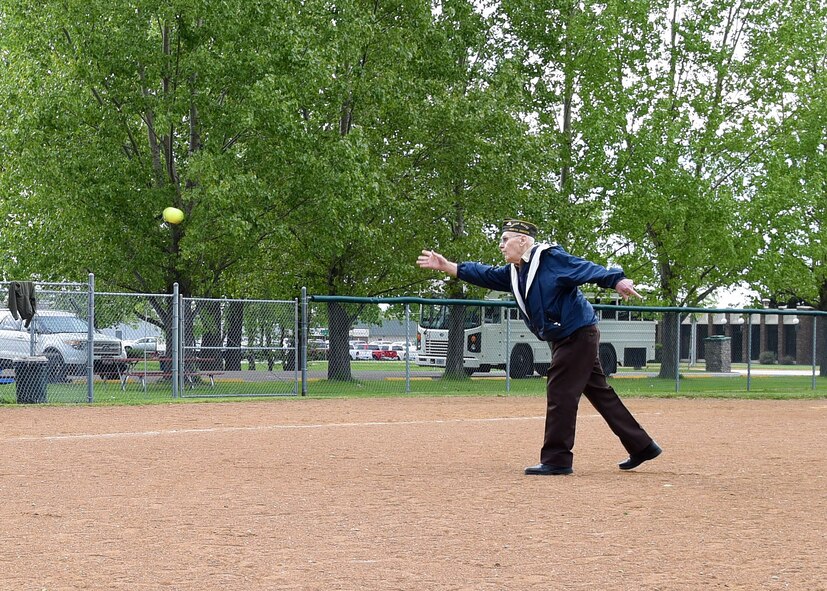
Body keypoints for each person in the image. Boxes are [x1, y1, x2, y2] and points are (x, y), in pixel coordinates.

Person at [416, 219, 661, 475]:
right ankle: (642, 446)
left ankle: (557, 459)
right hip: (566, 337)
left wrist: (616, 280)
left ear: (523, 240)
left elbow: (583, 268)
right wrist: (448, 266)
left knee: (560, 390)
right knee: (601, 394)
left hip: (577, 334)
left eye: (505, 239)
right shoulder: (515, 271)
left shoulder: (550, 259)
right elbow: (485, 274)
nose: (501, 245)